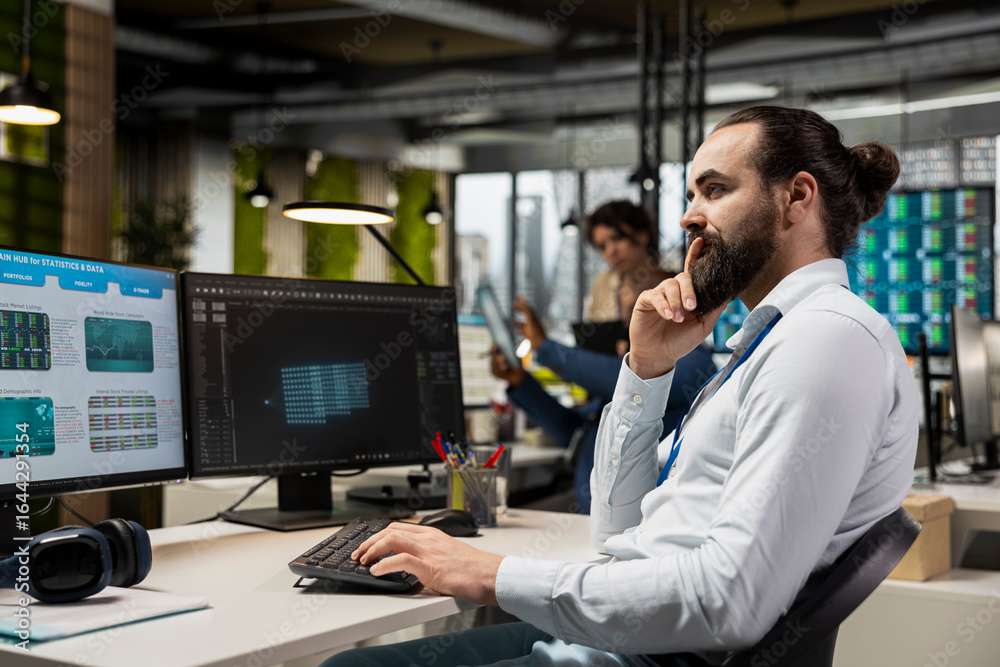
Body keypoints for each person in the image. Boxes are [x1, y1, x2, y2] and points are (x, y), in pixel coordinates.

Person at [323, 106, 918, 666]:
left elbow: (731, 600)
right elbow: (619, 535)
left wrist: (490, 573)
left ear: (796, 197)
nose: (689, 216)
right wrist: (645, 370)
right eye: (691, 195)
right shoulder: (765, 343)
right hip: (624, 640)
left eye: (714, 190)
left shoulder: (826, 339)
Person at [490, 294, 715, 511]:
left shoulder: (696, 366)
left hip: (634, 523)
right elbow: (574, 431)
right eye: (627, 311)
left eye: (639, 307)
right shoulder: (627, 380)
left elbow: (618, 376)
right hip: (589, 514)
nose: (629, 321)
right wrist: (520, 383)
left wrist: (545, 347)